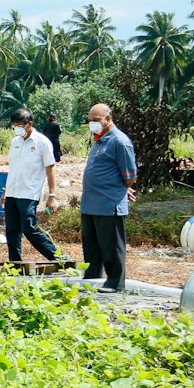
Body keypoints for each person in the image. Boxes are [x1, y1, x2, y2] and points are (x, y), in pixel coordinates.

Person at [80, 103, 137, 292]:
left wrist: (120, 189)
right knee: (92, 246)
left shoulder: (119, 142)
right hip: (90, 203)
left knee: (112, 245)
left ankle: (115, 282)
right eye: (90, 121)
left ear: (108, 119)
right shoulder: (99, 140)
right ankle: (93, 277)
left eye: (96, 121)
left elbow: (129, 176)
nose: (93, 124)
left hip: (108, 202)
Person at [2, 108, 67, 264]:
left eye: (19, 125)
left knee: (29, 228)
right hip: (12, 192)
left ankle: (58, 257)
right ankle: (15, 263)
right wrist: (5, 190)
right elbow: (13, 168)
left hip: (29, 193)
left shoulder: (42, 142)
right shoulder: (15, 142)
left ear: (29, 124)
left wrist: (52, 195)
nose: (16, 129)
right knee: (12, 231)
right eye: (14, 125)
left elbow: (50, 168)